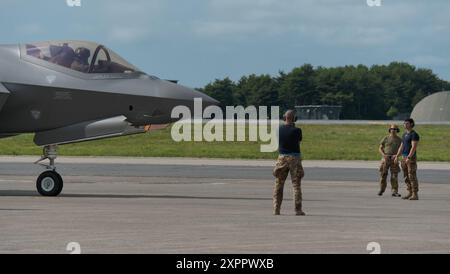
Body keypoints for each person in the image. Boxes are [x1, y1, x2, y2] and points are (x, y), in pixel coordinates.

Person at [272, 110, 305, 216]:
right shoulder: (297, 130)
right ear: (294, 118)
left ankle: (276, 209)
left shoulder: (278, 130)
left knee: (279, 184)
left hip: (281, 158)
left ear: (284, 117)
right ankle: (297, 209)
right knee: (296, 185)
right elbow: (298, 141)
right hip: (294, 158)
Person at [394, 118, 420, 200]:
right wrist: (397, 156)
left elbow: (414, 147)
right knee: (406, 176)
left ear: (411, 124)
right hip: (403, 157)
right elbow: (401, 146)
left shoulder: (414, 134)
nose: (405, 125)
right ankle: (410, 192)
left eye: (407, 123)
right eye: (404, 123)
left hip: (410, 158)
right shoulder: (404, 134)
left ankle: (415, 194)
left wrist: (409, 157)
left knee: (411, 175)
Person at [378, 124, 402, 197]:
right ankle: (381, 189)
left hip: (394, 158)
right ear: (389, 130)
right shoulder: (386, 138)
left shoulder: (400, 140)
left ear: (397, 130)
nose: (393, 130)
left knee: (394, 176)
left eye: (395, 129)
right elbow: (380, 148)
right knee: (383, 175)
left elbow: (402, 150)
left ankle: (394, 191)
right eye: (392, 129)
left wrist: (397, 156)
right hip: (386, 158)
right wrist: (383, 155)